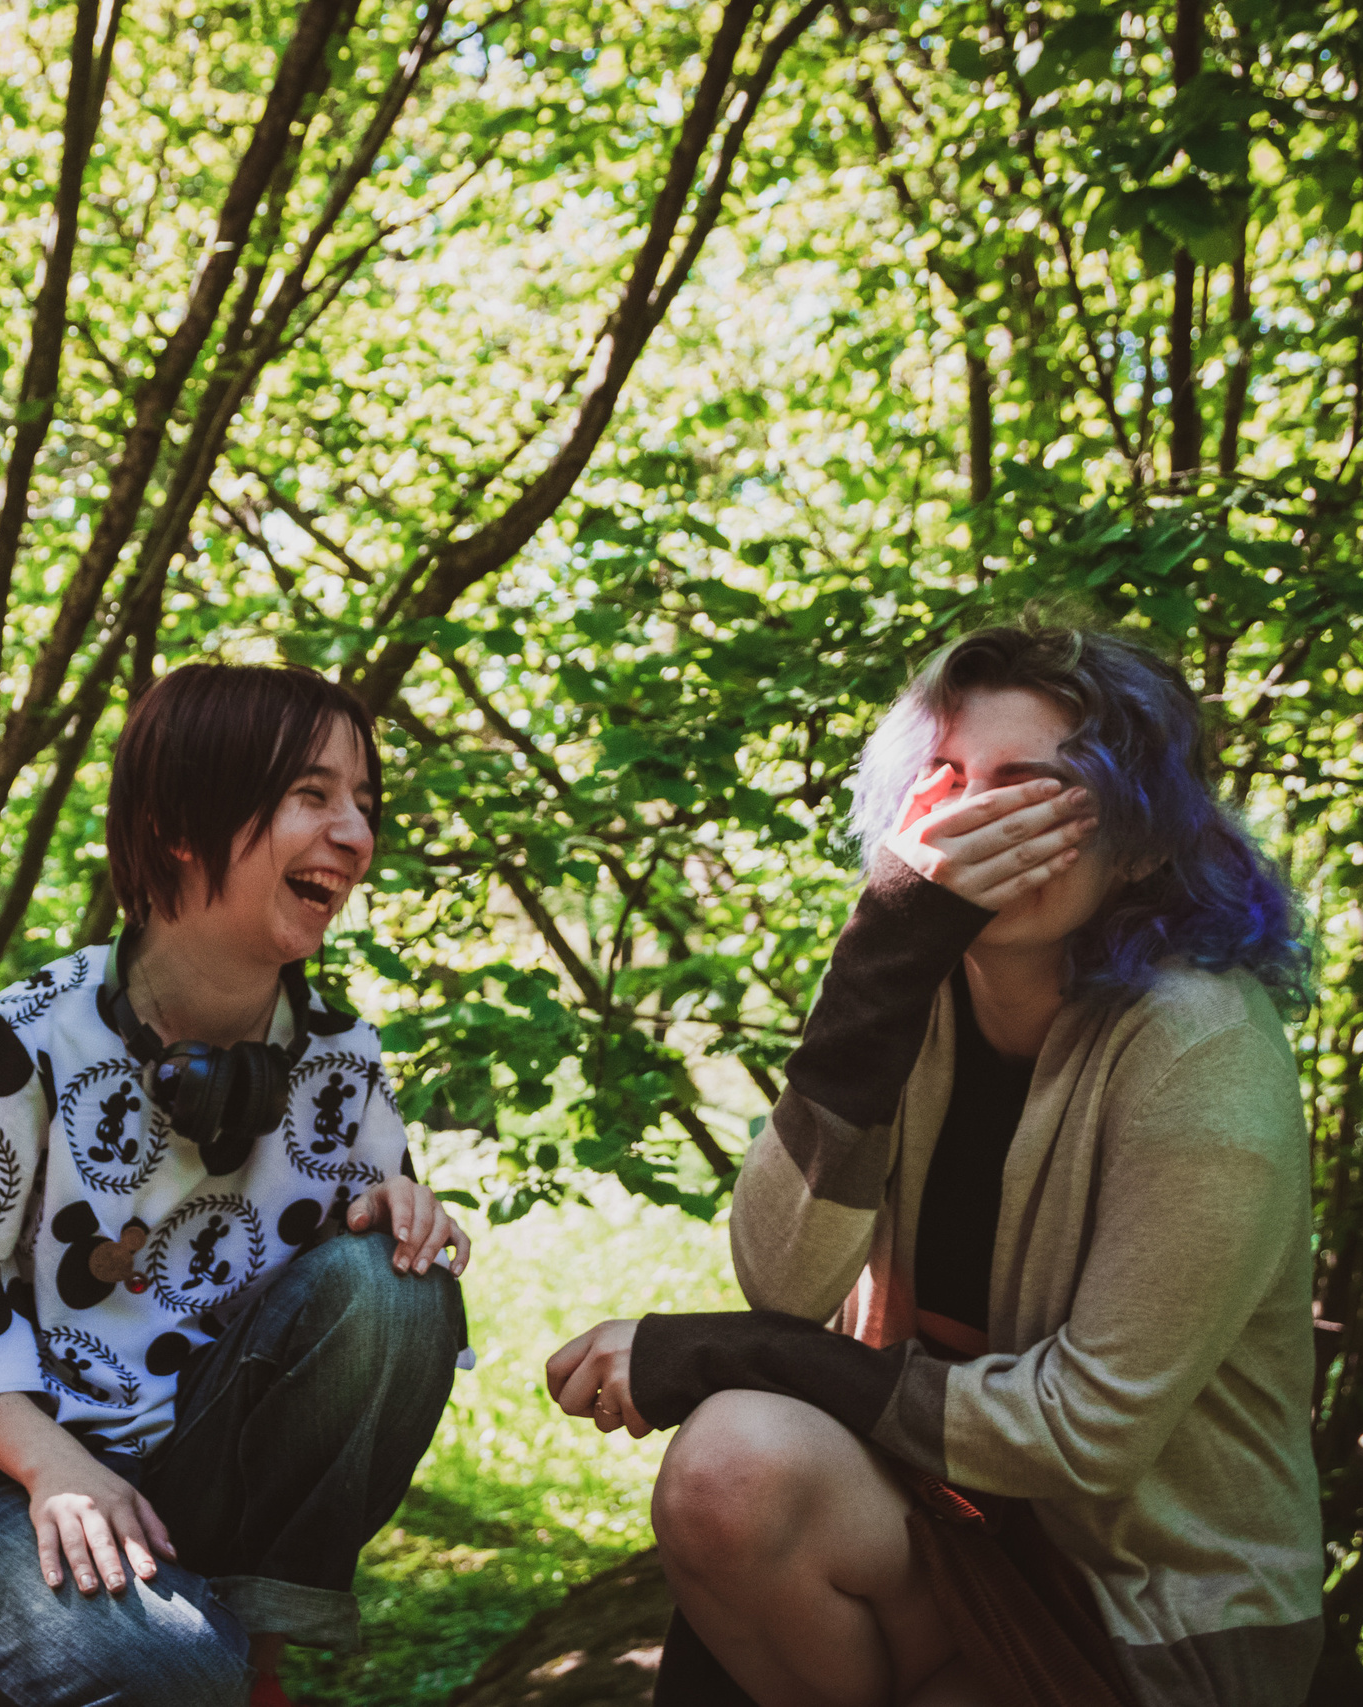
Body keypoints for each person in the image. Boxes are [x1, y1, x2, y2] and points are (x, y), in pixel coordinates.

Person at [547, 622, 1319, 1707]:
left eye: (1029, 792)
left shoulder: (1200, 1044)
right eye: (946, 782)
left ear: (1141, 842)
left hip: (1150, 1615)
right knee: (731, 1467)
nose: (970, 821)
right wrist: (876, 961)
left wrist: (737, 1355)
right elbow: (785, 1276)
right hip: (933, 1527)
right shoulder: (907, 976)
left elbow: (1080, 1432)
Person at [0, 663, 472, 1707]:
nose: (357, 835)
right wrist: (55, 1471)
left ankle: (253, 1658)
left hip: (197, 1468)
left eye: (363, 803)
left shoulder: (340, 1057)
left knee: (397, 1288)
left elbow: (366, 1306)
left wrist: (407, 1214)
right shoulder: (24, 1037)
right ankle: (198, 1664)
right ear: (182, 823)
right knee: (175, 1677)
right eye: (313, 795)